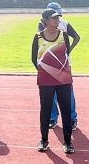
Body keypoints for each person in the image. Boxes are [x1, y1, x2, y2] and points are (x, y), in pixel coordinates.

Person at [32, 9, 75, 154]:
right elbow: (33, 58)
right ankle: (44, 140)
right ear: (45, 20)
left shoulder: (63, 35)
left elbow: (66, 54)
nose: (57, 21)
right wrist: (47, 71)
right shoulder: (38, 37)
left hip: (63, 79)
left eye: (58, 19)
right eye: (54, 19)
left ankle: (68, 142)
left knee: (66, 111)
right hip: (45, 80)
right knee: (45, 110)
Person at [39, 2, 80, 129]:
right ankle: (57, 118)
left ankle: (69, 118)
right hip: (50, 64)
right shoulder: (42, 26)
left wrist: (68, 50)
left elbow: (77, 37)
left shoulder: (65, 24)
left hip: (63, 64)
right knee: (51, 92)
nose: (59, 16)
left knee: (67, 92)